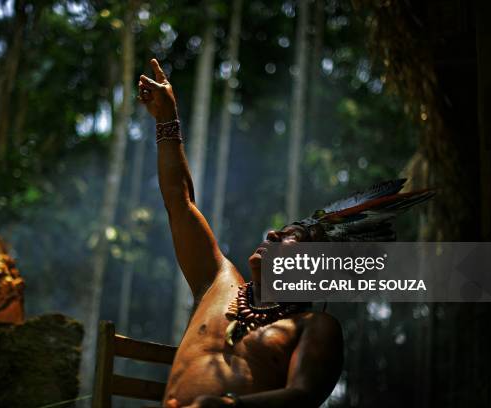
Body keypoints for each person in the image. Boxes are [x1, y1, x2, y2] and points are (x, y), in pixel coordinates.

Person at [137, 59, 344, 408]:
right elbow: (179, 202)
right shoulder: (218, 282)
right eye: (278, 231)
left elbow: (303, 396)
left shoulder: (315, 326)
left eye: (292, 236)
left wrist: (227, 406)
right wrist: (166, 120)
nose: (275, 235)